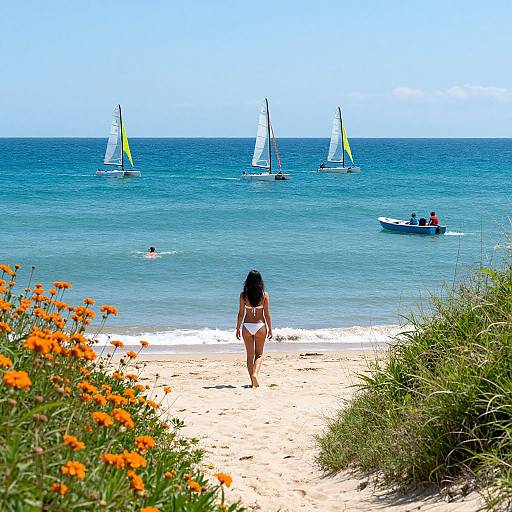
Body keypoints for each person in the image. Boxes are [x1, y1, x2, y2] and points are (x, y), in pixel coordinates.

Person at [236, 270, 273, 388]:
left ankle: (252, 381)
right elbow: (267, 314)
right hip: (260, 326)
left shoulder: (243, 295)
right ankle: (255, 374)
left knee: (250, 356)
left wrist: (237, 328)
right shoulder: (264, 295)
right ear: (260, 282)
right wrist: (270, 328)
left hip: (247, 326)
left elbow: (241, 314)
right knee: (259, 354)